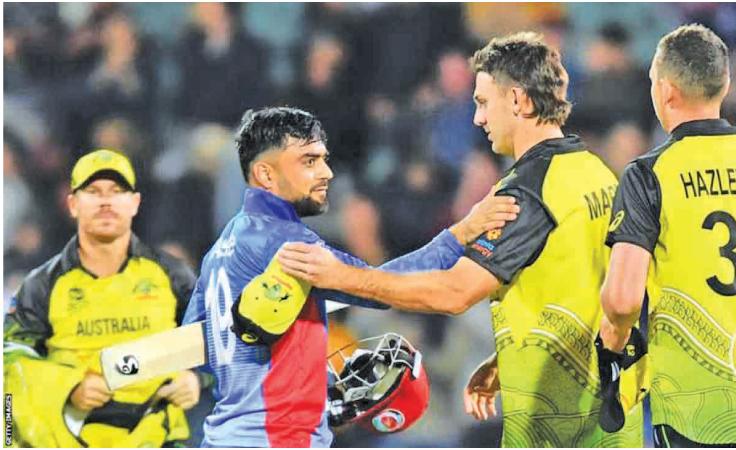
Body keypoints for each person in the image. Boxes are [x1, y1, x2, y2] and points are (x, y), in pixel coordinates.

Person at [277, 32, 645, 447]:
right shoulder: (594, 172)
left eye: (484, 102)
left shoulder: (527, 190)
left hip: (556, 424)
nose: (478, 118)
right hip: (612, 418)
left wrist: (342, 277)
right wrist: (507, 359)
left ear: (519, 101)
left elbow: (454, 293)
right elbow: (588, 294)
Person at [180, 106, 519, 447]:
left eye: (323, 159)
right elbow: (379, 287)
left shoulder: (222, 247)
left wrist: (307, 380)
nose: (326, 172)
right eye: (309, 161)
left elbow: (200, 352)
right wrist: (461, 233)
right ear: (266, 175)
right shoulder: (287, 241)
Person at [596, 24, 736, 447]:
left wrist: (610, 361)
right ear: (724, 84)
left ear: (665, 91)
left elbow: (622, 299)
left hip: (693, 409)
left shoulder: (649, 175)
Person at [4, 149, 205, 447]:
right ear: (72, 204)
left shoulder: (173, 276)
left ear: (135, 203)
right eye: (93, 191)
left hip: (157, 438)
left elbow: (218, 342)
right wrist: (68, 388)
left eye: (117, 191)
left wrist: (197, 380)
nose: (106, 201)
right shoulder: (41, 286)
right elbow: (10, 362)